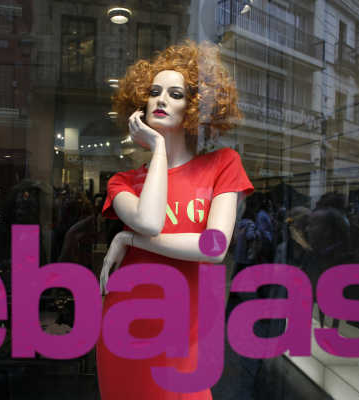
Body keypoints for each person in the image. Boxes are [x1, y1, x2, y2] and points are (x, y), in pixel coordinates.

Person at [97, 41, 254, 400]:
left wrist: (128, 240)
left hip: (187, 335)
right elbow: (150, 222)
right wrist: (159, 148)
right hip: (126, 328)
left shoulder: (222, 165)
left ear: (195, 107)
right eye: (153, 92)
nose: (161, 100)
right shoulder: (122, 182)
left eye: (175, 93)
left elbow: (215, 248)